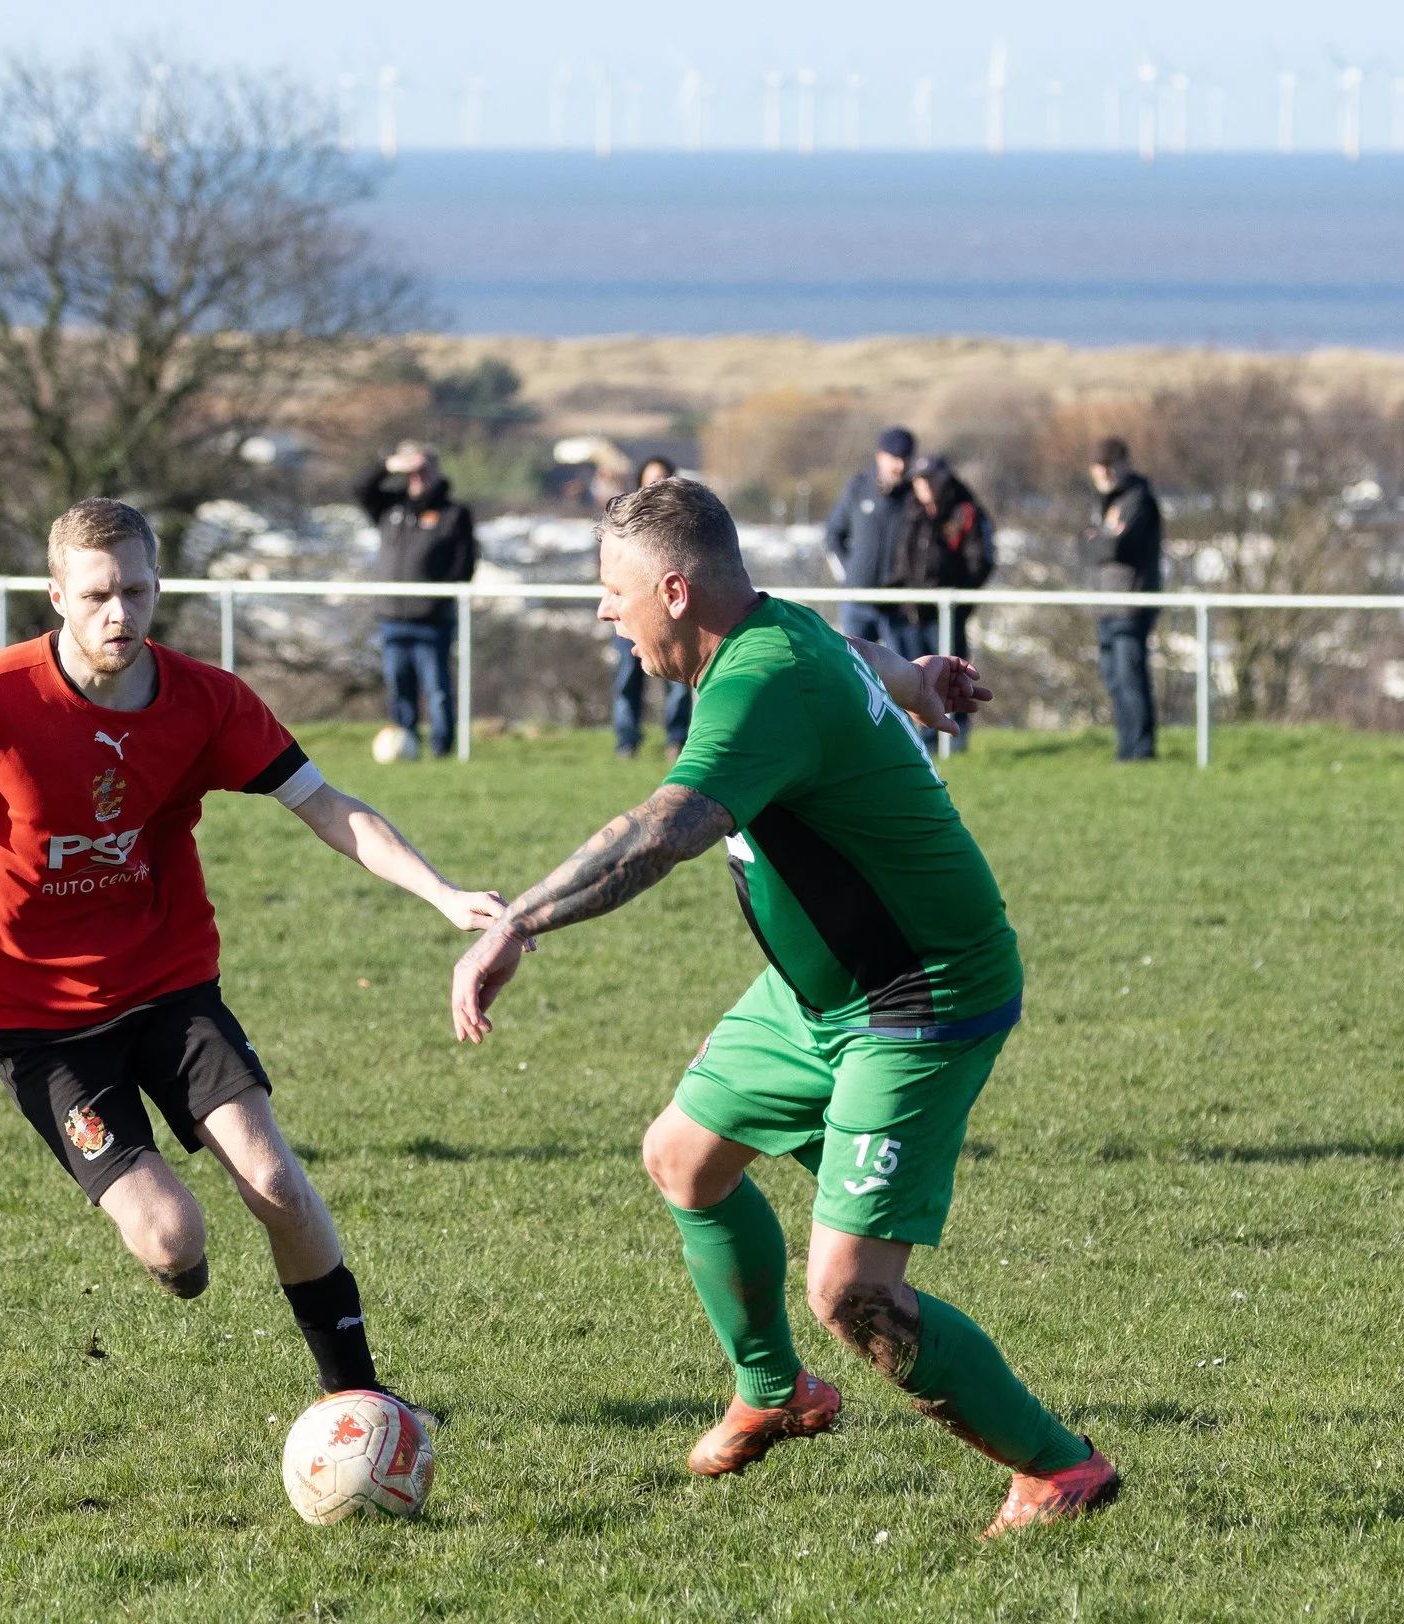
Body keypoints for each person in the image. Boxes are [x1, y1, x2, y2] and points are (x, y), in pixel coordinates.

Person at [449, 477, 1119, 1538]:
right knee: (682, 1156)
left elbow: (661, 830)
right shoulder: (780, 630)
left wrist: (519, 921)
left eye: (611, 591)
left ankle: (1058, 1470)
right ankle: (774, 1389)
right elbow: (863, 657)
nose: (601, 612)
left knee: (855, 1295)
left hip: (918, 992)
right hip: (820, 991)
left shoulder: (759, 681)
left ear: (673, 590)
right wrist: (918, 680)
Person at [0, 498, 502, 1407]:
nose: (121, 614)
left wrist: (440, 890)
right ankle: (177, 1261)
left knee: (272, 1175)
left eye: (138, 592)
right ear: (57, 596)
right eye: (99, 595)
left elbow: (325, 804)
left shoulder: (206, 699)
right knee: (172, 1240)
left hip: (168, 986)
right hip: (38, 1023)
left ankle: (358, 1396)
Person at [356, 442, 478, 758]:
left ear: (436, 471)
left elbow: (464, 563)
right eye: (412, 472)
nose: (418, 478)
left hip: (432, 619)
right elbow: (359, 488)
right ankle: (405, 744)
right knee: (399, 686)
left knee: (436, 688)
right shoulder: (390, 508)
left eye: (424, 470)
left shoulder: (453, 513)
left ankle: (442, 747)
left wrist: (437, 599)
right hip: (392, 616)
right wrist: (388, 465)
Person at [889, 454, 998, 747]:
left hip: (947, 613)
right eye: (917, 480)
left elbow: (981, 561)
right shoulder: (911, 511)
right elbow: (902, 559)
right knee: (914, 678)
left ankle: (955, 739)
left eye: (927, 480)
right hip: (912, 612)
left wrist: (956, 597)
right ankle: (924, 741)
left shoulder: (965, 512)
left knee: (951, 677)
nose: (921, 486)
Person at [610, 455, 694, 759]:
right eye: (652, 479)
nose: (657, 485)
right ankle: (626, 741)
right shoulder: (622, 521)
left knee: (679, 680)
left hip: (673, 612)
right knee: (627, 675)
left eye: (663, 478)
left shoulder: (686, 521)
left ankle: (677, 740)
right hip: (632, 612)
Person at [1086, 437, 1163, 763]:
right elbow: (1085, 547)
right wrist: (1102, 539)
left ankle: (1141, 750)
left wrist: (1100, 540)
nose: (1104, 473)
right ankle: (1126, 749)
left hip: (1130, 602)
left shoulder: (1138, 501)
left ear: (1124, 465)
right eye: (1098, 467)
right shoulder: (1102, 502)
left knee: (1131, 678)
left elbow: (1118, 548)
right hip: (1105, 604)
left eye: (1109, 466)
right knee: (1114, 679)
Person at [822, 426, 917, 649]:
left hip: (899, 606)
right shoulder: (857, 488)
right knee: (853, 670)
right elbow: (833, 534)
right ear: (880, 457)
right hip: (857, 602)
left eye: (905, 458)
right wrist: (849, 574)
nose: (900, 466)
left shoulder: (915, 495)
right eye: (894, 458)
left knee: (905, 674)